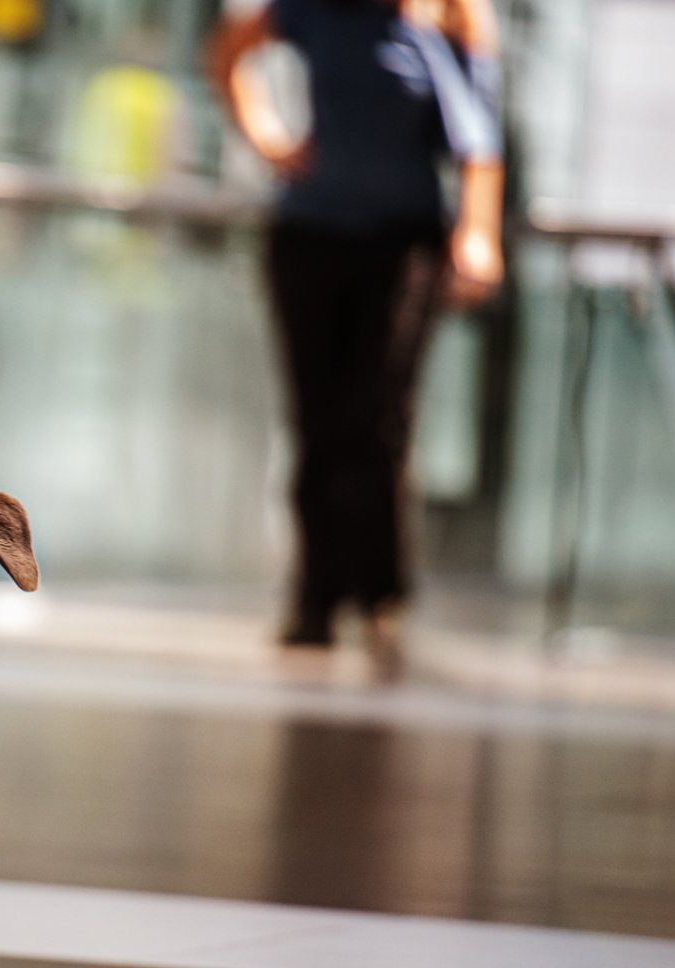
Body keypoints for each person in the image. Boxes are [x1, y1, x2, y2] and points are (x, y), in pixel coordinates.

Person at [207, 0, 504, 667]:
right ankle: (314, 597)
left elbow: (480, 144)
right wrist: (267, 139)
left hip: (400, 249)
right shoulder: (315, 13)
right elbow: (230, 52)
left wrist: (478, 236)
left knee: (374, 421)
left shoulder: (441, 30)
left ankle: (380, 595)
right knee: (316, 424)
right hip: (310, 240)